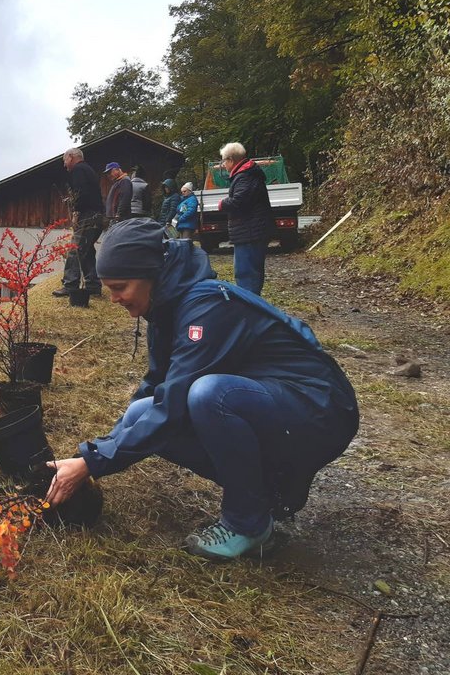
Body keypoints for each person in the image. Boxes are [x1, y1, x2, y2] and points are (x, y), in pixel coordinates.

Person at [45, 219, 359, 560]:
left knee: (209, 395)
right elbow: (155, 386)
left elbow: (175, 403)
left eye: (120, 286)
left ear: (150, 274)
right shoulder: (165, 306)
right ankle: (268, 491)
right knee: (142, 410)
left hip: (319, 408)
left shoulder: (204, 307)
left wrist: (92, 464)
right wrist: (93, 453)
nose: (114, 299)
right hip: (271, 404)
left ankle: (249, 524)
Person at [218, 142, 273, 294]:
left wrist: (223, 203)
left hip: (249, 233)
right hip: (252, 232)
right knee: (252, 273)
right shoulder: (248, 174)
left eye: (223, 160)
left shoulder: (244, 176)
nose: (223, 164)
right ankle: (253, 306)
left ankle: (250, 309)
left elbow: (239, 201)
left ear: (230, 160)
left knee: (245, 274)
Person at [53, 147, 104, 297]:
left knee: (75, 249)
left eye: (65, 161)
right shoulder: (88, 170)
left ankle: (70, 284)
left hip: (88, 215)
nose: (64, 165)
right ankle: (93, 285)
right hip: (97, 216)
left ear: (71, 157)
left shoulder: (79, 170)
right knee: (86, 250)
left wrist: (76, 211)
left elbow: (82, 194)